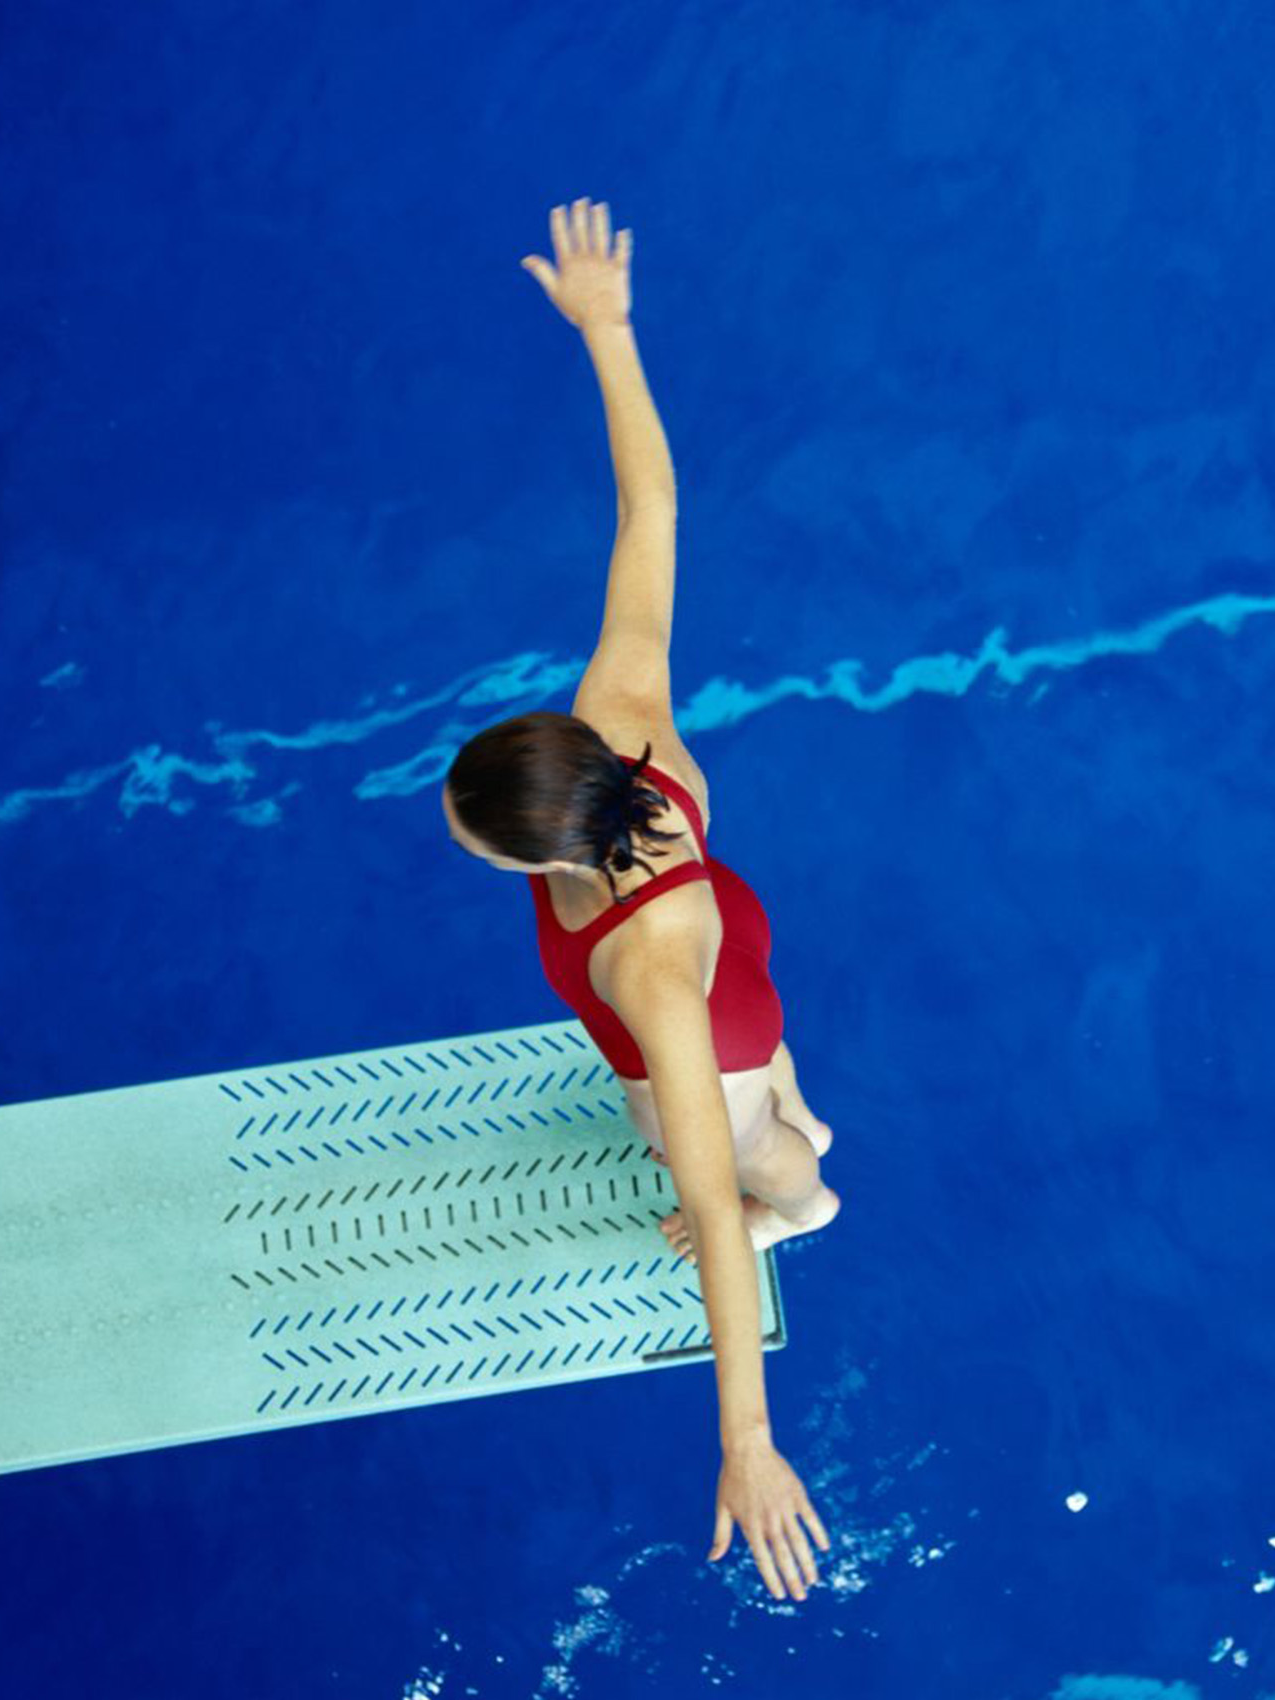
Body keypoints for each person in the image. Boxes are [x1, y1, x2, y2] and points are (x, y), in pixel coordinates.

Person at [438, 198, 834, 1603]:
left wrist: (746, 1442)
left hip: (703, 1028)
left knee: (734, 1159)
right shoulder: (622, 722)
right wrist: (608, 331)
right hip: (729, 958)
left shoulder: (647, 974)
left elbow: (704, 1222)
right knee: (727, 1090)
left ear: (538, 855)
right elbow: (651, 507)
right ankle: (788, 1101)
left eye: (471, 847)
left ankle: (814, 1174)